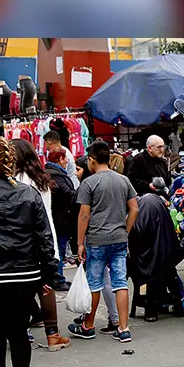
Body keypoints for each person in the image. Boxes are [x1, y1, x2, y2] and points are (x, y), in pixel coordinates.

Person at [0, 136, 59, 367]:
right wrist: (47, 275)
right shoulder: (28, 193)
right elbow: (44, 236)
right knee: (18, 332)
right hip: (24, 275)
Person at [67, 141, 139, 343]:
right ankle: (123, 328)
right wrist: (125, 230)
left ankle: (88, 325)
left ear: (91, 160)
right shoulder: (123, 180)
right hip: (119, 239)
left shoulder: (89, 183)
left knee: (95, 283)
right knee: (120, 283)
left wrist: (80, 243)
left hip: (96, 240)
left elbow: (84, 215)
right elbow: (134, 208)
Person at [11, 139, 69, 351]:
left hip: (21, 242)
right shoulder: (42, 180)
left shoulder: (13, 181)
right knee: (46, 287)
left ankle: (22, 331)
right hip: (45, 238)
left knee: (20, 289)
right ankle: (53, 335)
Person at [128, 177, 184, 322]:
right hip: (166, 253)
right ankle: (178, 302)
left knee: (150, 271)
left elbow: (138, 235)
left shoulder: (141, 207)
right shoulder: (154, 202)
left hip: (151, 258)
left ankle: (152, 309)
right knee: (167, 271)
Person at [45, 147, 77, 291]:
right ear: (60, 159)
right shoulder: (55, 175)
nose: (67, 162)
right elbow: (67, 194)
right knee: (59, 249)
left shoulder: (52, 173)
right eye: (65, 159)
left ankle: (57, 277)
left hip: (58, 219)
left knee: (58, 249)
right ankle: (58, 279)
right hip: (60, 220)